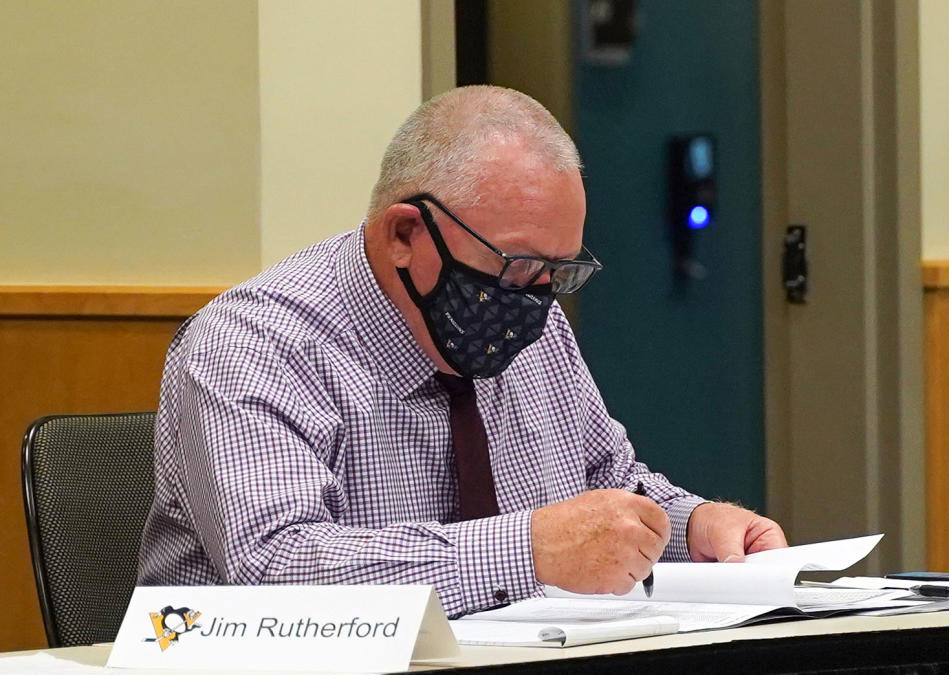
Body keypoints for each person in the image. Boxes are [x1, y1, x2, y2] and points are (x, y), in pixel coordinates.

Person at [137, 85, 786, 617]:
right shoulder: (252, 343)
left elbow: (605, 483)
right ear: (403, 234)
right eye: (515, 267)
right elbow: (275, 568)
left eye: (557, 273)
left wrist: (692, 525)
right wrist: (526, 552)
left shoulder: (532, 328)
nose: (535, 298)